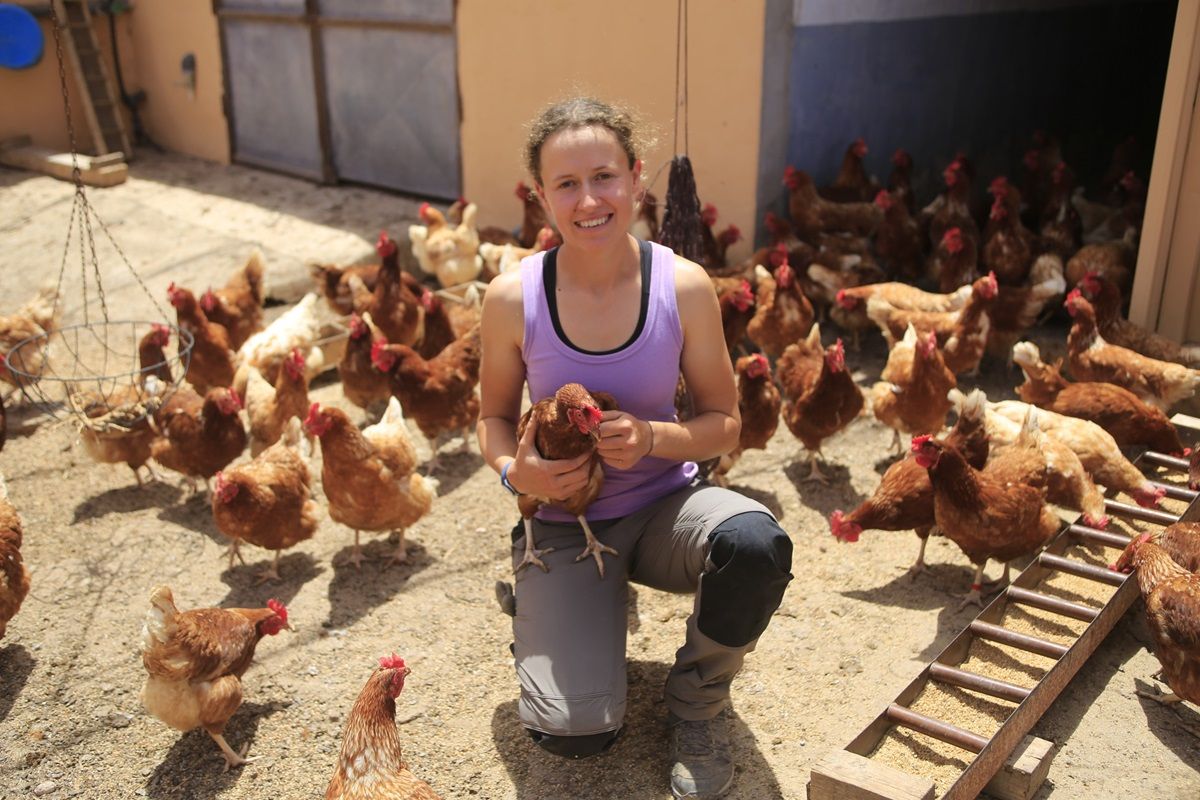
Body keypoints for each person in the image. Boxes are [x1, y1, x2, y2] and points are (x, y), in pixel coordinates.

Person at [476, 96, 793, 800]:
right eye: (566, 184)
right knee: (573, 733)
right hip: (563, 521)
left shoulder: (681, 286)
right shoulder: (510, 298)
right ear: (540, 196)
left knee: (753, 542)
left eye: (604, 176)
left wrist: (654, 438)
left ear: (637, 178)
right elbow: (493, 421)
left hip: (664, 511)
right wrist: (515, 472)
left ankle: (699, 703)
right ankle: (555, 613)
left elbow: (725, 423)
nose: (589, 200)